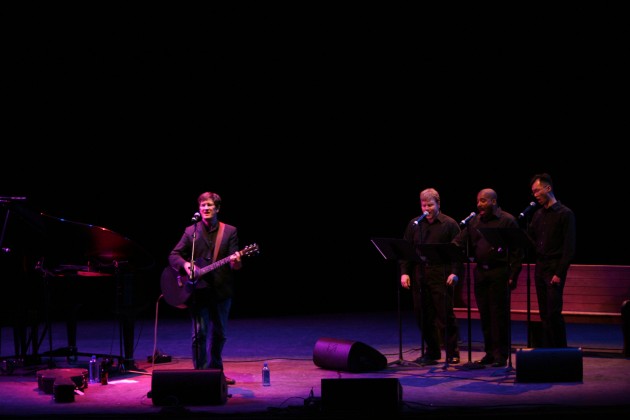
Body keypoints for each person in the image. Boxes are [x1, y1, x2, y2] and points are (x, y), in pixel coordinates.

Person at [168, 191, 242, 385]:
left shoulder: (229, 231)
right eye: (203, 205)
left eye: (209, 205)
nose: (206, 208)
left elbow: (235, 265)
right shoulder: (190, 231)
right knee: (199, 334)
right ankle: (200, 375)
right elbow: (174, 255)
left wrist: (236, 262)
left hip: (221, 291)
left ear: (217, 208)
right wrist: (185, 265)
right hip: (198, 292)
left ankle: (216, 372)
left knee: (220, 334)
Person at [451, 188, 523, 367]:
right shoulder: (475, 221)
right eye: (478, 201)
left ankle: (501, 355)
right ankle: (490, 353)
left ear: (493, 201)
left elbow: (517, 251)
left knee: (498, 316)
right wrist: (451, 248)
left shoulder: (507, 220)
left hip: (499, 273)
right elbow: (459, 241)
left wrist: (513, 275)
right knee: (485, 315)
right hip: (481, 273)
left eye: (483, 201)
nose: (479, 204)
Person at [400, 187, 463, 365]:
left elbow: (457, 252)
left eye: (430, 205)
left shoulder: (449, 224)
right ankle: (432, 351)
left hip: (441, 274)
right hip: (419, 274)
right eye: (423, 205)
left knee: (445, 315)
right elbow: (406, 251)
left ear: (438, 204)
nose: (426, 209)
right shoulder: (415, 225)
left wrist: (454, 272)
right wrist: (404, 273)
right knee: (423, 315)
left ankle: (452, 352)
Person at [527, 173, 576, 347]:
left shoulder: (565, 214)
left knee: (553, 312)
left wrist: (559, 273)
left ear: (548, 188)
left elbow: (569, 248)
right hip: (540, 267)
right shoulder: (538, 215)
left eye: (537, 190)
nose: (535, 195)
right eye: (533, 192)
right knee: (544, 313)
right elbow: (532, 240)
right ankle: (548, 351)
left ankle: (561, 352)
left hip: (554, 268)